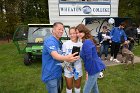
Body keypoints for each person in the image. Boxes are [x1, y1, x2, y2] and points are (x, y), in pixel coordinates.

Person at [42, 22, 79, 93]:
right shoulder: (50, 41)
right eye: (59, 29)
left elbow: (61, 56)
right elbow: (55, 55)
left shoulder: (58, 42)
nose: (61, 31)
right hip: (50, 75)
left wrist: (67, 62)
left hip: (57, 73)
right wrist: (67, 58)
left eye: (62, 30)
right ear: (53, 30)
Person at [76, 24, 106, 93]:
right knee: (94, 88)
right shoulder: (86, 41)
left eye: (80, 32)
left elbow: (89, 59)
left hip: (93, 69)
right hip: (94, 67)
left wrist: (87, 72)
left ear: (84, 31)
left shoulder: (87, 42)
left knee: (85, 91)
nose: (78, 34)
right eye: (77, 33)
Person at [62, 27, 83, 93]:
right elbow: (62, 57)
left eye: (74, 33)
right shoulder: (65, 44)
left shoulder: (81, 44)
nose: (72, 35)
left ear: (77, 34)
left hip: (78, 69)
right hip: (68, 69)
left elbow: (83, 57)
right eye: (70, 33)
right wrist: (68, 59)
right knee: (69, 86)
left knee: (77, 86)